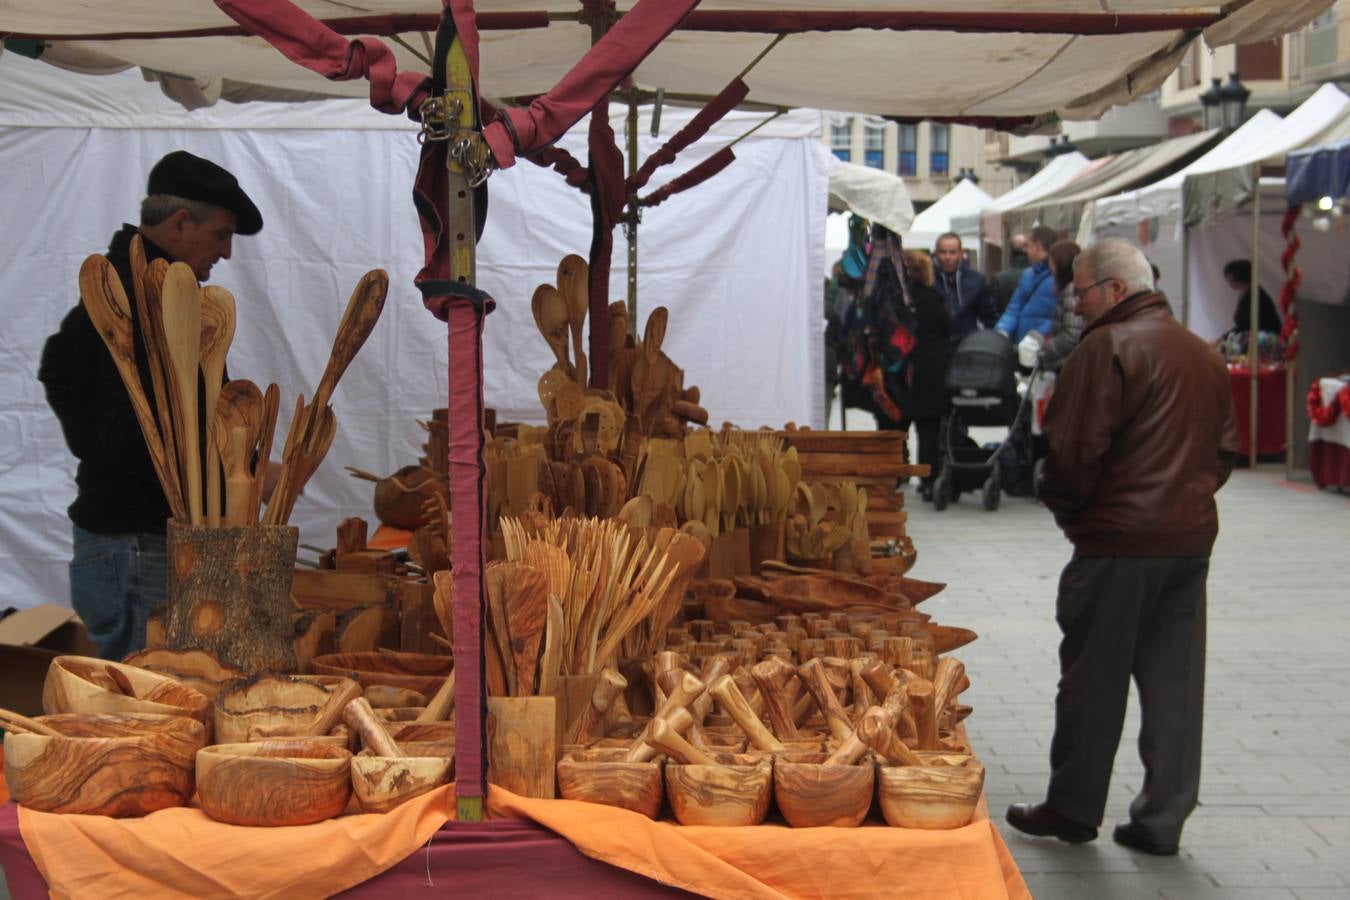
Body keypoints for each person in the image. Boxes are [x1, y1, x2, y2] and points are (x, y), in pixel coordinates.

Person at [1005, 239, 1239, 857]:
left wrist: (1071, 513)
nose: (1076, 306)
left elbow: (1073, 454)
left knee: (1093, 682)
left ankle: (1072, 807)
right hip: (1186, 542)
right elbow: (1223, 455)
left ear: (1113, 288)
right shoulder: (1201, 353)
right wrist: (1184, 503)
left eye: (1080, 293)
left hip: (1117, 541)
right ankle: (1163, 818)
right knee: (1175, 685)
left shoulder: (1105, 347)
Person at [38, 150, 264, 660]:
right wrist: (231, 471)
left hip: (134, 543)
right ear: (182, 222)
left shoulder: (160, 300)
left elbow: (60, 373)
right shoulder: (129, 303)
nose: (226, 253)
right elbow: (130, 435)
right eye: (221, 234)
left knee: (154, 704)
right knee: (144, 713)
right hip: (136, 546)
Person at [901, 249, 952, 499]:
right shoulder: (932, 298)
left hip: (908, 368)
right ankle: (929, 477)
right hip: (933, 368)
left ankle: (919, 476)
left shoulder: (902, 299)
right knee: (930, 427)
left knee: (918, 426)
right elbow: (948, 326)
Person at [931, 232, 996, 354]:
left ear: (961, 253)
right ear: (936, 253)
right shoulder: (927, 280)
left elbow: (989, 317)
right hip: (936, 351)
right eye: (943, 252)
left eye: (952, 252)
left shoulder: (976, 280)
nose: (947, 257)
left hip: (967, 348)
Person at [995, 226, 1059, 342]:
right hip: (1022, 345)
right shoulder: (1028, 275)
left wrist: (1037, 337)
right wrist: (1002, 330)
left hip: (1043, 347)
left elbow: (1060, 317)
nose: (1025, 250)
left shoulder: (1058, 275)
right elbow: (1014, 307)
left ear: (1038, 246)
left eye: (1028, 245)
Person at [1035, 240, 1083, 372]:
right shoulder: (1068, 288)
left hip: (1066, 364)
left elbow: (1072, 335)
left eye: (1051, 261)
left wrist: (1046, 347)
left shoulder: (1071, 291)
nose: (1050, 266)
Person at [1219, 258, 1281, 339]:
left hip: (1265, 341)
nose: (1228, 282)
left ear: (1238, 278)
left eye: (1229, 279)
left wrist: (1225, 337)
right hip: (1254, 338)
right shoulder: (1245, 293)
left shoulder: (1256, 296)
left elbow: (1246, 326)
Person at [989, 232, 1030, 316]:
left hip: (1005, 326)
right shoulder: (1040, 276)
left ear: (1010, 252)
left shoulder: (999, 279)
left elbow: (992, 311)